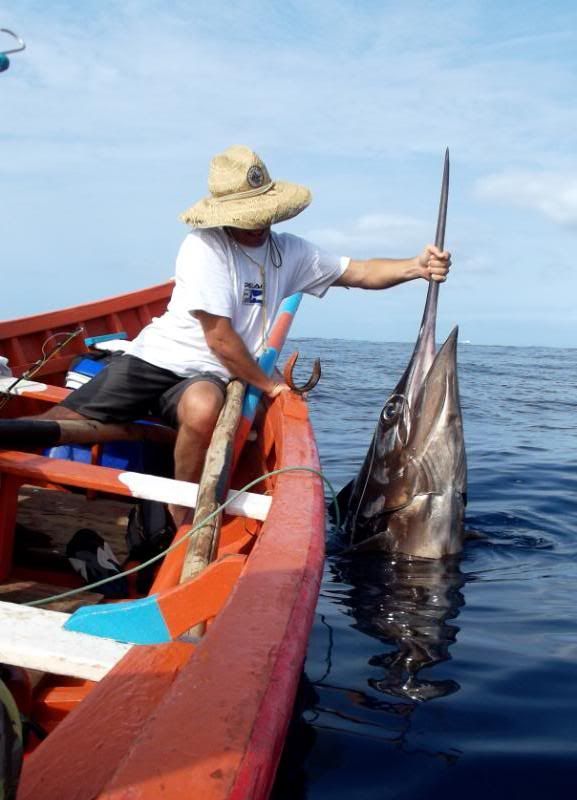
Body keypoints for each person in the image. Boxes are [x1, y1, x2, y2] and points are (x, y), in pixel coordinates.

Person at [41, 144, 451, 525]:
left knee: (203, 407)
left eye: (260, 213)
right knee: (62, 419)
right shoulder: (205, 247)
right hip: (158, 359)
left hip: (210, 374)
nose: (255, 224)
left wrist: (415, 267)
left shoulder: (291, 252)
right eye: (244, 216)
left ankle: (180, 510)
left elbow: (359, 272)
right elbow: (219, 337)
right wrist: (270, 386)